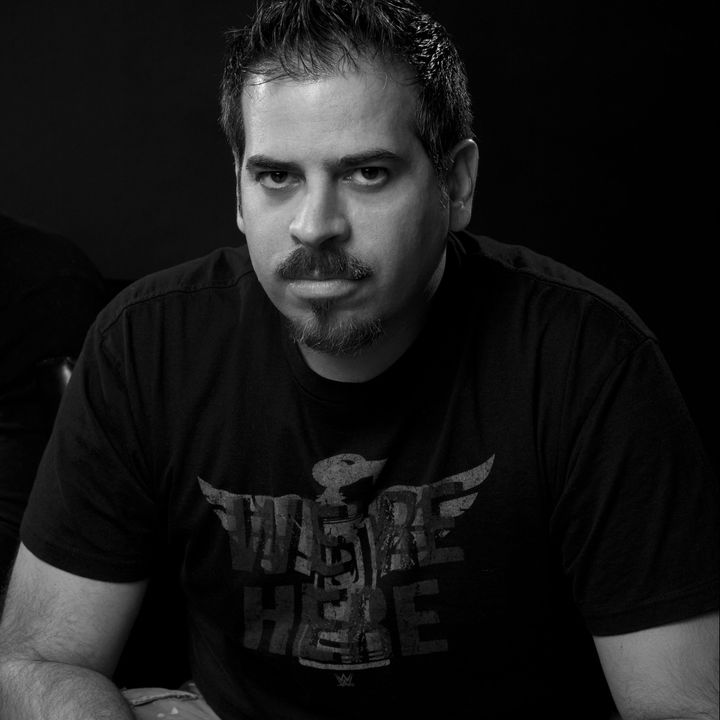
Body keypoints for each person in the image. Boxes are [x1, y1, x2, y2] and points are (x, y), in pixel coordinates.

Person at [0, 0, 717, 718]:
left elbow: (680, 707)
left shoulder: (587, 360)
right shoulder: (147, 343)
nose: (315, 226)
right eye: (276, 176)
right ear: (239, 190)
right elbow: (34, 663)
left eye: (368, 173)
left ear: (457, 184)